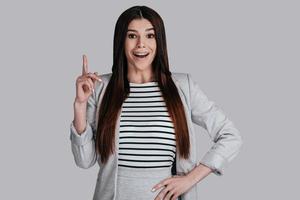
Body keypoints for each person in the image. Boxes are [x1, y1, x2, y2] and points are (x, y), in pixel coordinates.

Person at [70, 5, 243, 200]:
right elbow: (84, 161)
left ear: (159, 41)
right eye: (132, 36)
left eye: (150, 36)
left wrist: (190, 179)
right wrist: (80, 105)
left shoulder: (183, 86)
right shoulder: (101, 87)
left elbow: (231, 136)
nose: (141, 44)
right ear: (121, 41)